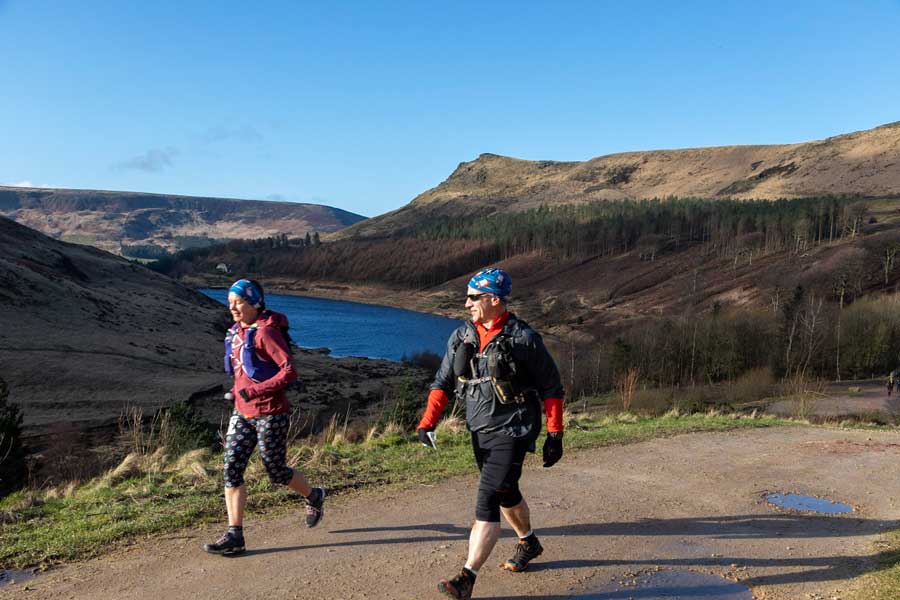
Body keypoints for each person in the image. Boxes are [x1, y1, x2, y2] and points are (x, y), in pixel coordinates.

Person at [417, 267, 565, 600]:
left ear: (493, 299)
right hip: (479, 427)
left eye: (473, 297)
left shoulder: (523, 339)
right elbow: (442, 382)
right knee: (505, 491)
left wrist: (555, 434)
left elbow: (551, 387)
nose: (466, 303)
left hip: (514, 428)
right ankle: (529, 543)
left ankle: (466, 577)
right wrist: (427, 422)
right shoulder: (461, 337)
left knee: (487, 496)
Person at [203, 278, 326, 555]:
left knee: (276, 471)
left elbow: (289, 372)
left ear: (255, 303)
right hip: (242, 413)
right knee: (231, 469)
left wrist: (256, 391)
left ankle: (314, 495)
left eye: (239, 303)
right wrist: (237, 394)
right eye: (230, 303)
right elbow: (240, 373)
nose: (233, 308)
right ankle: (235, 536)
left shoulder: (266, 333)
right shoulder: (235, 332)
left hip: (271, 413)